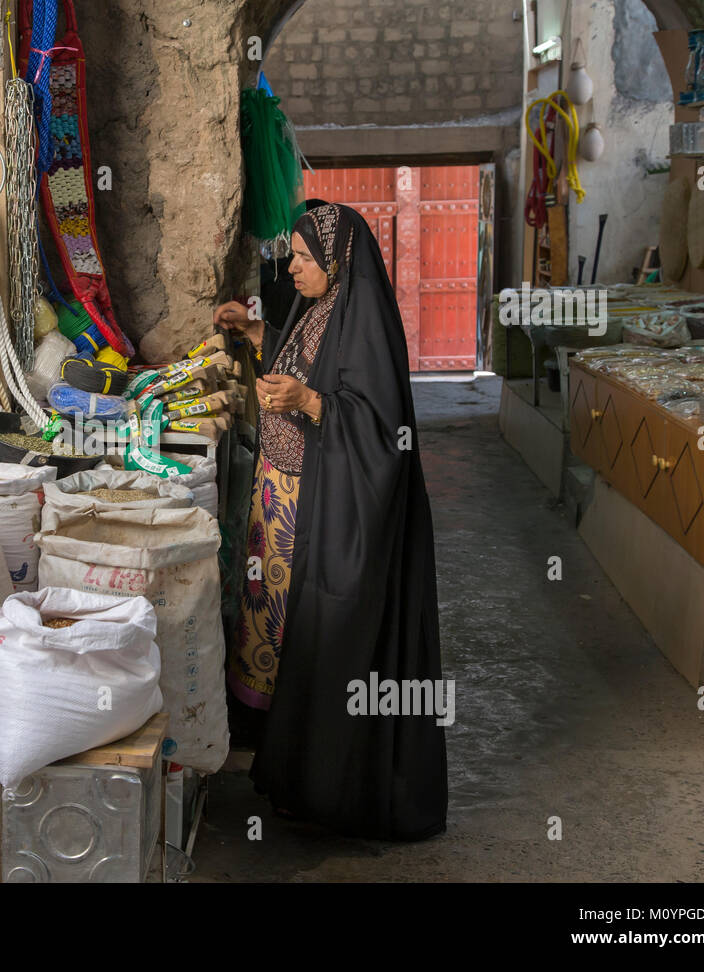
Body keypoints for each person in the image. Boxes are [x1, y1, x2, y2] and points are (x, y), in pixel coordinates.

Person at [212, 202, 447, 841]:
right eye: (293, 255)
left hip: (331, 508)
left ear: (338, 262)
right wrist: (256, 336)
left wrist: (310, 402)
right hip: (290, 501)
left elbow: (380, 427)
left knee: (324, 636)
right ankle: (289, 766)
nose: (292, 268)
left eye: (305, 258)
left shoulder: (366, 320)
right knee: (292, 640)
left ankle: (326, 783)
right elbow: (306, 355)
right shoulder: (321, 307)